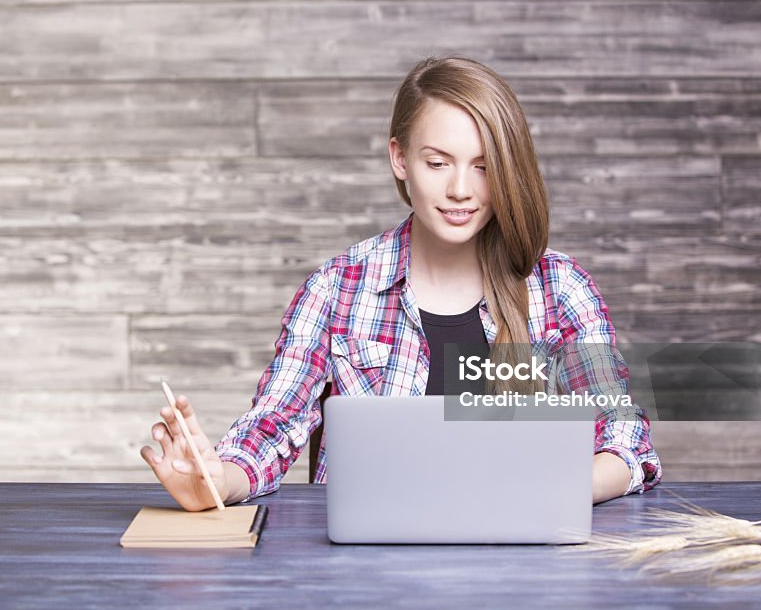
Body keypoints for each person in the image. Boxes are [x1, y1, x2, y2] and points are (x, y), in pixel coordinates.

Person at [139, 56, 662, 511]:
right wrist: (215, 482)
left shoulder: (561, 290)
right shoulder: (336, 289)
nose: (461, 190)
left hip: (526, 568)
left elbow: (626, 443)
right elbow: (270, 431)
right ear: (400, 159)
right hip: (368, 575)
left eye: (483, 167)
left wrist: (540, 491)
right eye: (438, 163)